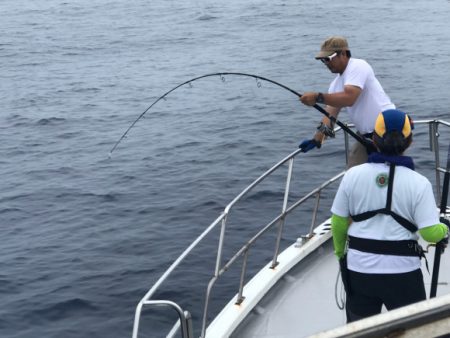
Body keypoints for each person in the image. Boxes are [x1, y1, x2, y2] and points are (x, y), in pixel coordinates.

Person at [330, 108, 449, 323]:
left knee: (360, 329)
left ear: (374, 139)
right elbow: (431, 234)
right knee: (414, 330)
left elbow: (338, 223)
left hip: (359, 271)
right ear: (410, 141)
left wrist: (341, 254)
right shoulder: (419, 183)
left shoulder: (352, 176)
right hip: (403, 274)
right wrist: (444, 228)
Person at [299, 36, 395, 167]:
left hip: (390, 131)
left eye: (328, 58)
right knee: (352, 176)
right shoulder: (335, 85)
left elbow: (349, 98)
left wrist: (317, 97)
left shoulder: (358, 66)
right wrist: (317, 138)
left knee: (391, 177)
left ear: (343, 53)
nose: (326, 63)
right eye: (323, 60)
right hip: (366, 138)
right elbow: (330, 116)